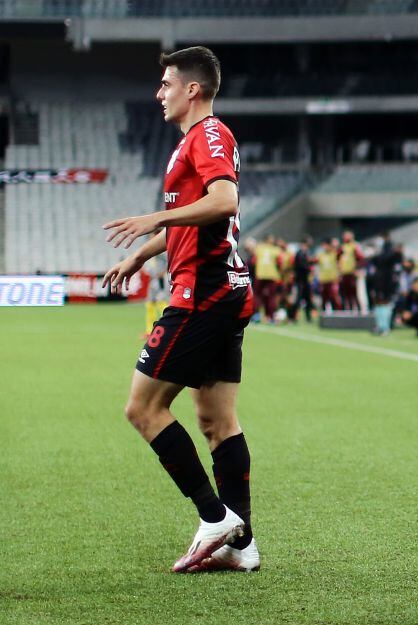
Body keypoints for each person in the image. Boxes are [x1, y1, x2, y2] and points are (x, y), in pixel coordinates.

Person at [100, 45, 259, 573]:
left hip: (203, 293)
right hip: (223, 290)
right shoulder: (192, 142)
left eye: (166, 83)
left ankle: (215, 519)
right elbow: (193, 220)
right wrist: (141, 254)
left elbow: (224, 202)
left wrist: (153, 220)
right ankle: (241, 545)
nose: (159, 93)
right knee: (217, 421)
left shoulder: (208, 135)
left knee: (142, 408)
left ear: (193, 89)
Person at [253, 234, 283, 323]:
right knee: (271, 297)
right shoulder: (276, 250)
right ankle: (270, 317)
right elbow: (280, 263)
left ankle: (256, 315)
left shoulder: (258, 248)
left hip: (260, 274)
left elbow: (253, 261)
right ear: (268, 240)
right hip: (272, 275)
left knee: (257, 295)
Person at [290, 236, 316, 322]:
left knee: (308, 299)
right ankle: (292, 317)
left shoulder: (307, 253)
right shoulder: (299, 253)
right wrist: (310, 264)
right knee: (297, 299)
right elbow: (302, 266)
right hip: (300, 280)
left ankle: (308, 317)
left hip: (305, 280)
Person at [338, 229, 365, 311]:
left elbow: (361, 258)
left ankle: (359, 310)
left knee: (354, 293)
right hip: (344, 274)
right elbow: (337, 258)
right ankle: (348, 310)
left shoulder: (354, 246)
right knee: (345, 293)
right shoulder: (342, 247)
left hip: (352, 274)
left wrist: (357, 269)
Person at [143, 255, 169, 338]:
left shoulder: (161, 253)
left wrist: (164, 272)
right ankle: (150, 331)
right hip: (152, 280)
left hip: (160, 280)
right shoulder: (150, 253)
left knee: (161, 303)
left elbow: (169, 261)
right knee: (149, 304)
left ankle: (167, 327)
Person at [316, 239, 341, 311]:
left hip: (332, 280)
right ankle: (324, 317)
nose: (324, 247)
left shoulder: (335, 253)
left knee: (334, 298)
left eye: (326, 245)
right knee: (324, 299)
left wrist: (335, 244)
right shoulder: (321, 255)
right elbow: (313, 261)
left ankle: (338, 314)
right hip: (324, 281)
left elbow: (341, 251)